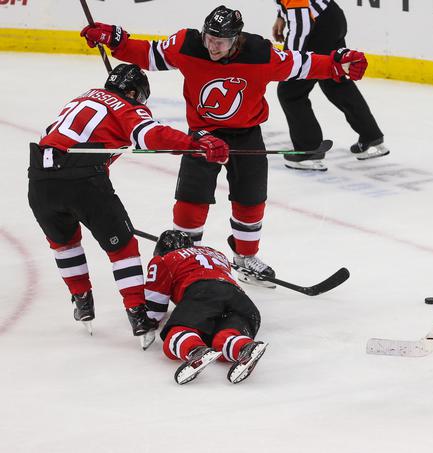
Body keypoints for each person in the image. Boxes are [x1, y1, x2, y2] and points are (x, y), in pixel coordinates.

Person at [80, 5, 369, 286]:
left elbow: (300, 65)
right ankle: (185, 257)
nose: (212, 47)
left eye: (220, 42)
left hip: (247, 134)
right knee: (191, 200)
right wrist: (116, 40)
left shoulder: (260, 54)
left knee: (250, 200)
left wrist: (337, 64)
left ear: (235, 40)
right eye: (209, 39)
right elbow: (149, 54)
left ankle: (245, 258)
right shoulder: (187, 45)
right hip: (202, 135)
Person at [28, 63, 229, 340]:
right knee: (123, 247)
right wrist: (194, 143)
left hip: (39, 177)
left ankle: (81, 300)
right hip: (83, 179)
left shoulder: (83, 97)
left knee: (64, 242)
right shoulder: (129, 107)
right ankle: (138, 315)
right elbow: (150, 135)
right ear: (134, 92)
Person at [273, 0, 389, 171]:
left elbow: (302, 25)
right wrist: (281, 15)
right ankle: (371, 136)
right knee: (335, 80)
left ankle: (308, 151)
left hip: (317, 29)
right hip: (330, 17)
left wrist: (289, 60)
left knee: (290, 92)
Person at [143, 230, 268, 385]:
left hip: (203, 291)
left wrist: (144, 320)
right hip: (240, 299)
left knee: (175, 334)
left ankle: (195, 350)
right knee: (223, 338)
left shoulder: (164, 259)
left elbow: (154, 309)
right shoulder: (216, 253)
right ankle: (244, 347)